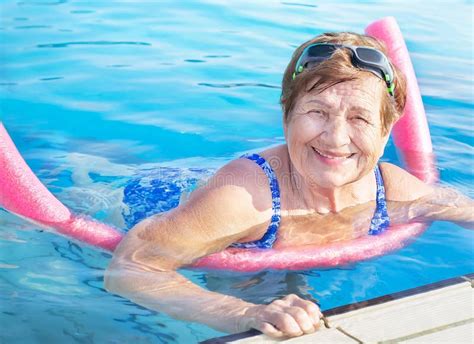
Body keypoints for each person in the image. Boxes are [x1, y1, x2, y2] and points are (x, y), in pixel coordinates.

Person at [104, 32, 473, 339]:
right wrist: (242, 314)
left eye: (360, 117)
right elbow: (130, 271)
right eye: (317, 112)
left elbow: (464, 210)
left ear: (386, 130)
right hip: (150, 204)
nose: (336, 138)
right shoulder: (243, 198)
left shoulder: (392, 189)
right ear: (286, 115)